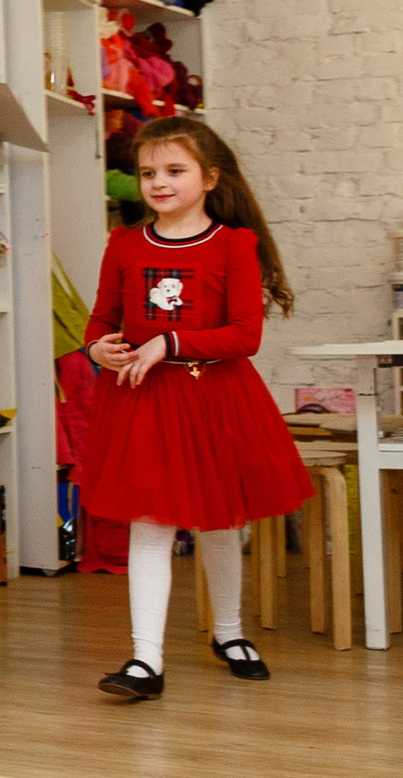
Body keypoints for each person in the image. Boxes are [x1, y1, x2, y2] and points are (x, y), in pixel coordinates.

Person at [74, 119, 310, 700]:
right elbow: (102, 319)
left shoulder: (234, 245)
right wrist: (97, 348)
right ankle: (144, 660)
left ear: (209, 178)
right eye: (149, 173)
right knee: (150, 527)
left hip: (215, 400)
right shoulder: (125, 244)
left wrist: (170, 343)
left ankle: (229, 633)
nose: (159, 183)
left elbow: (244, 335)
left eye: (174, 171)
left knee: (221, 522)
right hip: (143, 402)